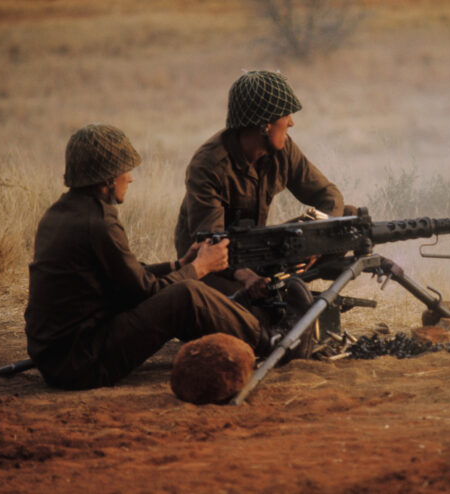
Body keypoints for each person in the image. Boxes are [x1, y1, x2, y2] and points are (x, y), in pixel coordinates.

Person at [24, 123, 277, 390]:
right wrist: (200, 267)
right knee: (186, 295)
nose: (130, 178)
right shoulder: (99, 223)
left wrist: (179, 265)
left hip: (57, 356)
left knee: (184, 286)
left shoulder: (60, 212)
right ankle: (271, 340)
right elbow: (145, 292)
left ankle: (244, 334)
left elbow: (126, 278)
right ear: (107, 179)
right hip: (80, 363)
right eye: (125, 171)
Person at [174, 70, 351, 299]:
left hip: (258, 250)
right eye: (285, 115)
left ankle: (287, 287)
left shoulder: (283, 149)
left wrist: (318, 241)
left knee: (348, 219)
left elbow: (328, 195)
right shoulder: (209, 165)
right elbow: (210, 247)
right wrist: (248, 277)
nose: (291, 122)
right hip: (216, 267)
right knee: (255, 309)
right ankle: (280, 293)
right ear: (265, 125)